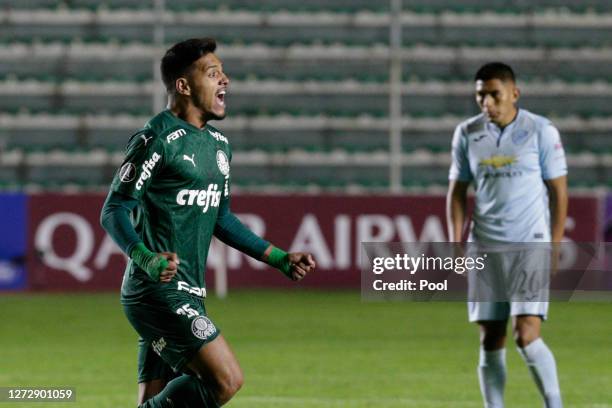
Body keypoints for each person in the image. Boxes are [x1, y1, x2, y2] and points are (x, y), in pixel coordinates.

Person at [100, 38, 316, 408]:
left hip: (190, 294)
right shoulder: (156, 139)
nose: (225, 80)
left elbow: (222, 218)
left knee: (156, 400)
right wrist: (145, 257)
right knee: (225, 381)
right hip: (156, 292)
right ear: (183, 86)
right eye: (213, 73)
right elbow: (114, 209)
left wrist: (279, 257)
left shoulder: (219, 145)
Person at [446, 62, 567, 408]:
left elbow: (559, 191)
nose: (487, 102)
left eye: (494, 94)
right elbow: (457, 191)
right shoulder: (467, 133)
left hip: (529, 241)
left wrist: (554, 245)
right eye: (480, 95)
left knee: (526, 333)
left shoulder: (541, 131)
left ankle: (554, 404)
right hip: (484, 245)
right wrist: (456, 241)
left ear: (514, 93)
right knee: (490, 338)